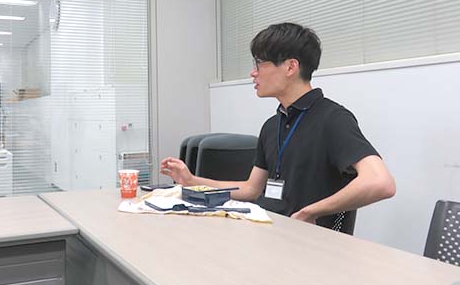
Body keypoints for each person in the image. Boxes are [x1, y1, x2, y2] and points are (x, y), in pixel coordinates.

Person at [160, 22, 396, 229]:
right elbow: (251, 189)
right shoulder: (272, 125)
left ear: (290, 67)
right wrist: (192, 180)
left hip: (311, 244)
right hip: (270, 231)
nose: (253, 73)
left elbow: (380, 182)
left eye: (260, 64)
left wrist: (311, 212)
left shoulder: (332, 119)